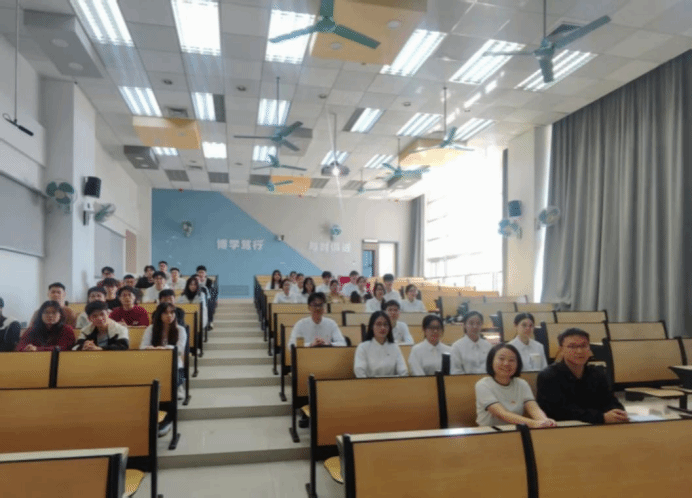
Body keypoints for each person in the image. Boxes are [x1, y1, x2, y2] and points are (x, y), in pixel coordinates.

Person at [537, 328, 629, 425]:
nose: (579, 351)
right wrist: (601, 417)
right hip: (564, 428)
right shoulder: (548, 376)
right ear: (561, 349)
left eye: (584, 346)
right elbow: (559, 412)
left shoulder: (597, 374)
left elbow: (611, 401)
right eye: (572, 346)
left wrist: (618, 413)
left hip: (597, 426)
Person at [475, 344, 556, 428]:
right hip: (488, 432)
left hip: (516, 430)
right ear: (491, 361)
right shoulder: (483, 385)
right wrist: (534, 423)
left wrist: (545, 421)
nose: (506, 363)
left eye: (512, 360)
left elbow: (533, 408)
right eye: (501, 359)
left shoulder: (522, 384)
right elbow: (501, 414)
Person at [140, 302, 188, 434]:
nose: (169, 316)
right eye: (166, 313)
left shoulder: (180, 329)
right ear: (159, 315)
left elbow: (180, 350)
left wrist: (164, 348)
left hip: (176, 367)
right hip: (154, 366)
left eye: (172, 313)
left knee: (168, 386)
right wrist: (151, 348)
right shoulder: (151, 329)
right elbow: (142, 347)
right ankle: (152, 418)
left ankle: (166, 420)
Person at [354, 311, 408, 378]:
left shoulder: (395, 347)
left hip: (393, 383)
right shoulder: (363, 347)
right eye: (378, 324)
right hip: (369, 384)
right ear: (372, 327)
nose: (383, 328)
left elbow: (403, 371)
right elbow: (359, 371)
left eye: (385, 324)